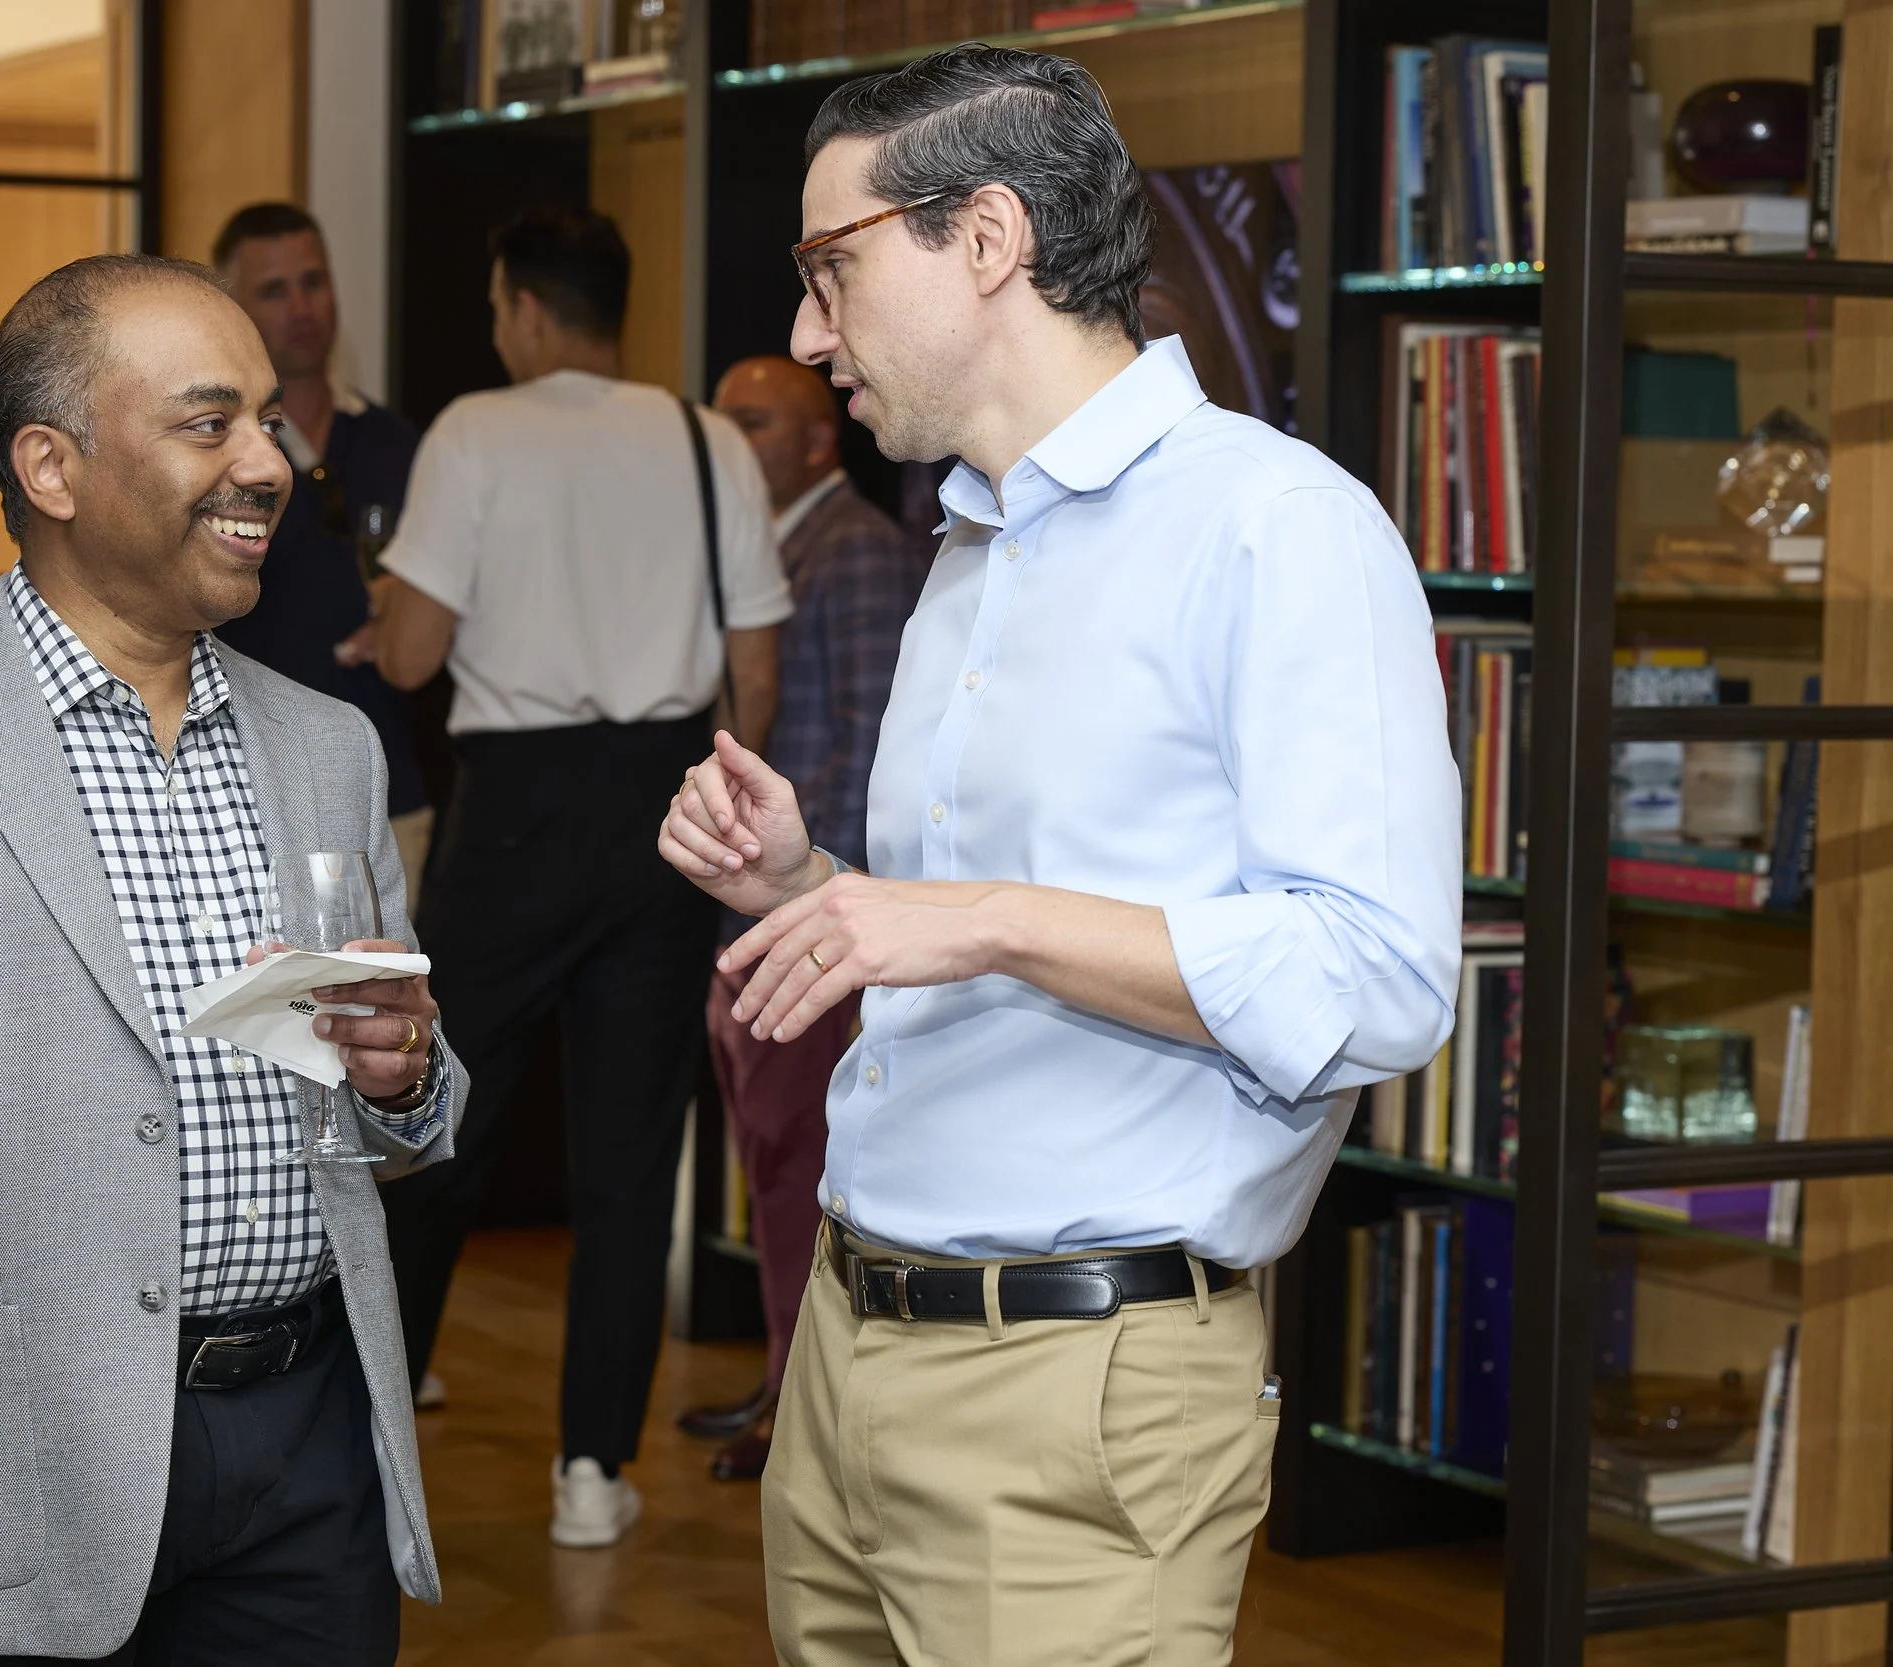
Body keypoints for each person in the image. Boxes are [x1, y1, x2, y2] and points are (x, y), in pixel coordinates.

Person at [657, 45, 1461, 1667]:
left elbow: (1379, 978)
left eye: (830, 268)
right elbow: (962, 944)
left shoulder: (1275, 526)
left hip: (1076, 1389)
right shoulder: (974, 537)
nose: (809, 333)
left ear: (987, 238)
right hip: (849, 1349)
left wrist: (987, 920)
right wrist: (814, 891)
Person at [0, 253, 468, 1667]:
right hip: (15, 1479)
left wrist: (403, 1073)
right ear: (51, 467)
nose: (268, 462)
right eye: (209, 422)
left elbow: (399, 1121)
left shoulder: (329, 748)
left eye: (266, 419)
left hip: (312, 1457)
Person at [366, 205, 792, 1548]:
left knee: (431, 1115)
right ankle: (593, 1473)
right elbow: (755, 671)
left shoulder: (474, 431)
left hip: (513, 811)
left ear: (524, 307)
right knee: (630, 1149)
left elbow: (412, 655)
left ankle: (374, 1436)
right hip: (667, 806)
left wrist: (382, 617)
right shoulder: (706, 438)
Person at [674, 355, 927, 1482]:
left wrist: (806, 896)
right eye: (722, 421)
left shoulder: (856, 546)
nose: (731, 439)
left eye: (758, 422)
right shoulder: (765, 543)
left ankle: (801, 1401)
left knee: (797, 1166)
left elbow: (872, 748)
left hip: (819, 924)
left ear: (822, 441)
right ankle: (787, 1377)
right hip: (765, 913)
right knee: (771, 1162)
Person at [208, 201, 435, 901]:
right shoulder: (212, 452)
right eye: (275, 290)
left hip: (386, 782)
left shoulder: (396, 443)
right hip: (240, 783)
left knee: (381, 969)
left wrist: (403, 618)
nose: (302, 308)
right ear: (234, 310)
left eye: (314, 282)